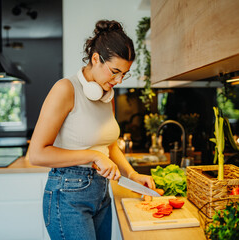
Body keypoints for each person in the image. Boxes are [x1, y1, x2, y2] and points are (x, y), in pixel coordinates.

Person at [28, 19, 156, 240]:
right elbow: (37, 154)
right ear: (96, 59)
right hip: (67, 196)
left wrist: (132, 174)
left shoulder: (107, 95)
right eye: (115, 71)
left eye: (124, 74)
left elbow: (109, 145)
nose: (118, 80)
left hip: (100, 193)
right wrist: (94, 156)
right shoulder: (65, 89)